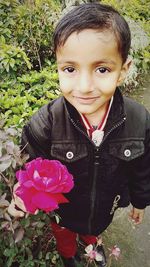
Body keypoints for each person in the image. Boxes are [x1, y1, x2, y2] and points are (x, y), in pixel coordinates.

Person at [11, 3, 150, 267]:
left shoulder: (138, 120)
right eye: (70, 69)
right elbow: (28, 166)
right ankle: (68, 258)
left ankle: (92, 245)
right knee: (64, 236)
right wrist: (23, 194)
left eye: (102, 69)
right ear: (57, 67)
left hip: (102, 210)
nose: (84, 87)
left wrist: (140, 202)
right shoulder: (45, 123)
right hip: (63, 213)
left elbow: (142, 169)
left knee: (92, 231)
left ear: (123, 69)